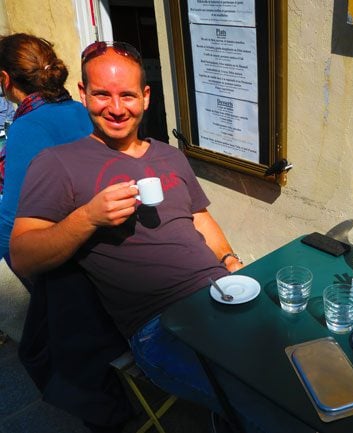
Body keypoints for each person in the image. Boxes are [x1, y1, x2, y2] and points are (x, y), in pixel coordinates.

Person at [11, 41, 311, 433]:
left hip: (225, 295)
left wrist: (230, 262)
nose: (116, 108)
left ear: (146, 97)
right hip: (160, 326)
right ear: (83, 93)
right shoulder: (58, 164)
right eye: (102, 94)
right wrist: (87, 217)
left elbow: (199, 218)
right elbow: (23, 254)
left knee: (309, 359)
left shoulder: (168, 155)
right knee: (275, 407)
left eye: (127, 95)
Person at [0, 33, 92, 262]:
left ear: (5, 78)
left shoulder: (28, 126)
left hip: (59, 257)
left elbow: (10, 223)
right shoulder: (82, 110)